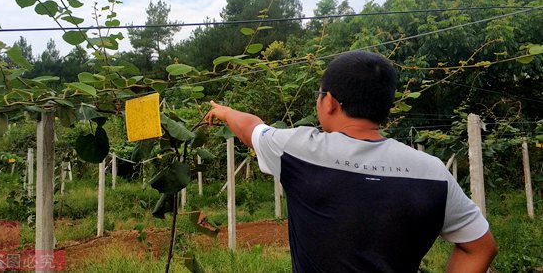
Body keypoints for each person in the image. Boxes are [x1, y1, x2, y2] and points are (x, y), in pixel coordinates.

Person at [204, 50, 497, 273]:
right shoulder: (433, 172)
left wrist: (224, 111)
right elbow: (481, 248)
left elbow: (250, 127)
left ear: (329, 101)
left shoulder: (298, 150)